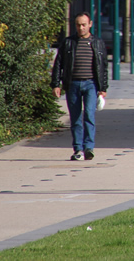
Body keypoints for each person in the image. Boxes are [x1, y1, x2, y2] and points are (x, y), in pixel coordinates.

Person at [51, 12, 108, 161]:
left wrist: (103, 88)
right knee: (75, 118)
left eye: (84, 24)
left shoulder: (98, 42)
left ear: (90, 24)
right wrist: (56, 84)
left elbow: (103, 66)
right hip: (73, 84)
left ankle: (89, 147)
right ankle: (78, 149)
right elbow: (58, 64)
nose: (81, 28)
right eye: (78, 25)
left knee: (89, 114)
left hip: (91, 84)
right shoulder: (68, 42)